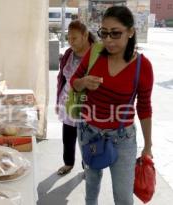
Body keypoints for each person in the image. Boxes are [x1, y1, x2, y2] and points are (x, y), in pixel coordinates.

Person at [70, 6, 153, 204]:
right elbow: (74, 82)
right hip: (89, 133)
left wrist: (148, 145)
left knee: (123, 197)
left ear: (130, 32)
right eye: (104, 33)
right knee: (91, 185)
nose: (108, 40)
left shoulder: (142, 66)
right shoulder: (95, 54)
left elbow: (144, 108)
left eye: (115, 33)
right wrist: (84, 82)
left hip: (122, 138)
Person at [56, 20, 96, 175]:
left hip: (88, 104)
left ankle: (88, 167)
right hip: (68, 102)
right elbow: (62, 78)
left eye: (74, 38)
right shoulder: (68, 54)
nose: (70, 42)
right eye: (68, 38)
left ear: (85, 36)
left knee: (87, 139)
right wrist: (58, 99)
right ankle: (68, 163)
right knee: (68, 136)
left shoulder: (96, 54)